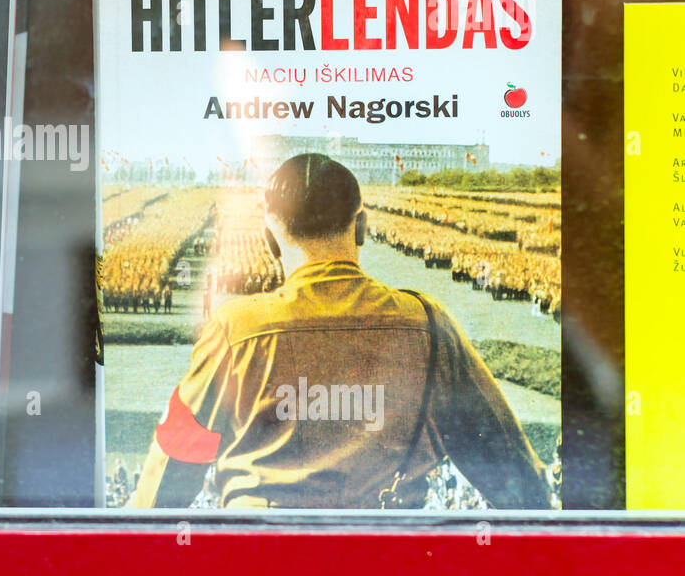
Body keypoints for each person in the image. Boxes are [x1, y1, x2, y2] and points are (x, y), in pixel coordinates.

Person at [129, 154, 550, 510]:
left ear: (270, 239)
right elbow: (516, 476)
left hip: (260, 558)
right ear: (361, 226)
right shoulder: (427, 323)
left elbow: (169, 475)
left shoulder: (234, 328)